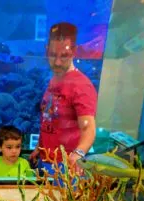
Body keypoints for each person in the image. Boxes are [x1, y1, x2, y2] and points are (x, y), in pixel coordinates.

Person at [30, 22, 97, 174]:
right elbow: (48, 118)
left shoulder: (81, 86)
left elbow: (88, 128)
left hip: (66, 166)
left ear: (74, 51)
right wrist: (39, 149)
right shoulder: (53, 80)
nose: (57, 62)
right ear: (47, 50)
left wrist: (78, 154)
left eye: (64, 56)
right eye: (53, 55)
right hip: (45, 160)